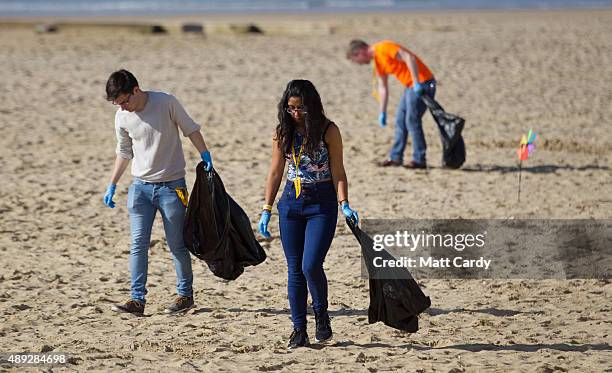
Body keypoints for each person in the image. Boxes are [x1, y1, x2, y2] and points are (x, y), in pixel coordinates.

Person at [102, 69, 213, 316]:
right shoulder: (122, 116)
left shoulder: (166, 102)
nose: (123, 107)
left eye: (124, 101)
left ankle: (185, 296)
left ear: (136, 90)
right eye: (117, 104)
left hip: (172, 188)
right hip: (140, 188)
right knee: (138, 244)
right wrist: (112, 183)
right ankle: (136, 300)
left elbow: (191, 129)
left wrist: (205, 155)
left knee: (176, 244)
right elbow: (124, 151)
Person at [258, 80, 359, 349]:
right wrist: (267, 209)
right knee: (294, 270)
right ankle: (298, 330)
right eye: (290, 108)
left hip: (321, 205)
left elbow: (338, 170)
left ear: (311, 105)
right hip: (291, 204)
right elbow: (276, 171)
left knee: (310, 265)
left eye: (300, 108)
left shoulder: (329, 130)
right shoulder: (283, 131)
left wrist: (344, 203)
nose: (295, 113)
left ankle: (322, 315)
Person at [347, 39, 436, 169]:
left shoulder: (384, 48)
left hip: (423, 82)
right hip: (410, 87)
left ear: (359, 53)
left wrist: (416, 82)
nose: (359, 64)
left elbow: (409, 57)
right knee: (400, 120)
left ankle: (419, 160)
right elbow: (383, 87)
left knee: (412, 120)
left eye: (356, 61)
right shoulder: (377, 62)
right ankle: (395, 158)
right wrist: (382, 112)